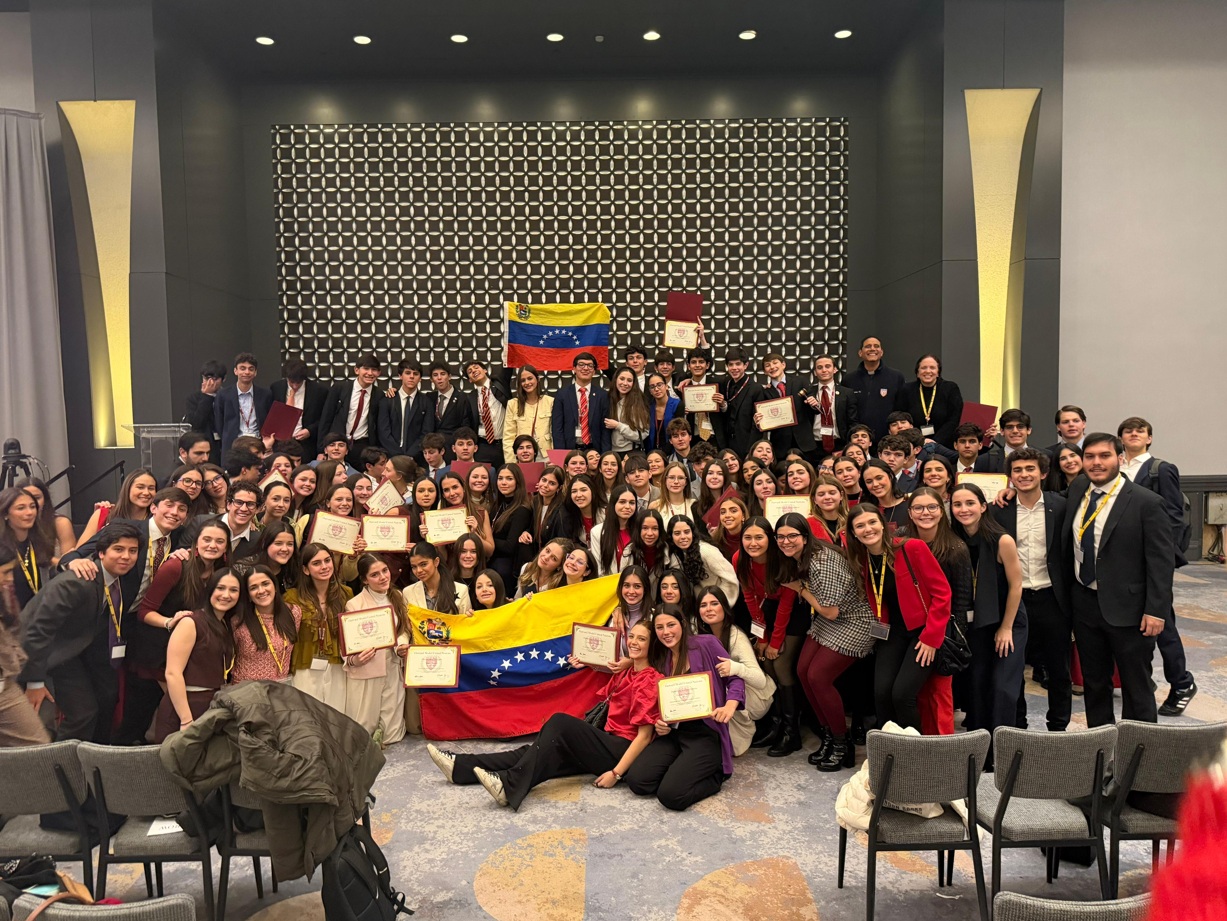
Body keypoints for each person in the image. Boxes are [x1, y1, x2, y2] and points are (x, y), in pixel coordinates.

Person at [427, 620, 662, 810]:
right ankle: (460, 767)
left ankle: (510, 785)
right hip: (606, 739)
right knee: (533, 752)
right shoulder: (627, 671)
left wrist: (616, 773)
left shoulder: (649, 680)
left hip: (620, 750)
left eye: (642, 639)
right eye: (632, 636)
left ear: (652, 645)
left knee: (560, 723)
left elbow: (643, 737)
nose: (634, 642)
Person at [1059, 433, 1174, 726]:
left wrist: (1156, 610)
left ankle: (1139, 747)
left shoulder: (1147, 503)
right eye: (1090, 456)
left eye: (1104, 456)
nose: (1096, 463)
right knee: (1094, 682)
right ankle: (1099, 742)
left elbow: (1161, 563)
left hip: (1130, 610)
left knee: (1136, 686)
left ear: (1120, 459)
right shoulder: (1078, 489)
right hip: (1085, 603)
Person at [20, 522, 142, 742]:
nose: (126, 556)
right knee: (82, 714)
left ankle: (91, 756)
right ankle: (57, 762)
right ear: (101, 553)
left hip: (75, 651)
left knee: (104, 698)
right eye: (118, 549)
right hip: (44, 655)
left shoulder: (117, 580)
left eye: (132, 551)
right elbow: (37, 631)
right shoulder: (77, 582)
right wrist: (34, 682)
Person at [777, 514, 875, 771]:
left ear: (805, 537)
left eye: (792, 536)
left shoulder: (822, 562)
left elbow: (830, 611)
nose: (786, 541)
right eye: (781, 537)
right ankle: (829, 736)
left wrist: (800, 589)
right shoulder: (802, 556)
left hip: (855, 621)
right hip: (831, 618)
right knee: (802, 671)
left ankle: (843, 744)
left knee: (818, 676)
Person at [845, 504, 950, 733]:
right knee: (881, 695)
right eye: (860, 526)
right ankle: (888, 748)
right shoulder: (862, 559)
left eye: (872, 522)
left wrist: (931, 638)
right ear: (853, 533)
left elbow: (942, 594)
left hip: (923, 632)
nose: (868, 529)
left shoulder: (912, 548)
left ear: (883, 525)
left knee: (902, 696)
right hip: (892, 632)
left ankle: (914, 750)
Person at [628, 606, 743, 811]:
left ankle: (715, 775)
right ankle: (680, 770)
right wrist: (661, 723)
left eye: (671, 625)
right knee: (638, 781)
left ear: (682, 624)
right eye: (660, 628)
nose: (666, 632)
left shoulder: (707, 644)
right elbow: (664, 703)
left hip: (705, 733)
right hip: (675, 733)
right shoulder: (662, 659)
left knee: (671, 796)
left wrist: (729, 705)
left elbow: (735, 678)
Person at [1118, 416, 1196, 715]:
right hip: (1123, 561)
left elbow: (1174, 516)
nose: (1134, 434)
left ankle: (1182, 683)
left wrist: (1162, 560)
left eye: (1140, 431)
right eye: (1128, 431)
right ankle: (1143, 681)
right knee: (1133, 626)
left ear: (1149, 438)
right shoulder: (1116, 468)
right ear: (1121, 438)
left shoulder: (1160, 469)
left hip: (1151, 561)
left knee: (1162, 623)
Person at [989, 449, 1071, 732]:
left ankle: (1058, 729)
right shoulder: (999, 510)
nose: (1024, 474)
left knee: (1058, 669)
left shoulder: (1061, 506)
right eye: (1017, 470)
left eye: (1030, 469)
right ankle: (1018, 727)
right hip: (1015, 600)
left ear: (1043, 473)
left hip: (1052, 598)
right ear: (1010, 477)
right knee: (1014, 669)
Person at [950, 483, 1026, 764]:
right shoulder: (953, 539)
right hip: (976, 623)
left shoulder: (1001, 540)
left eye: (970, 503)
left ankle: (1004, 752)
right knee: (977, 684)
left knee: (1003, 686)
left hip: (1007, 619)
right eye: (957, 504)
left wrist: (1006, 627)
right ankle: (982, 750)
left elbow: (1016, 586)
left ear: (983, 506)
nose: (964, 509)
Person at [733, 516, 802, 755]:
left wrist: (775, 642)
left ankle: (792, 732)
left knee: (780, 664)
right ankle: (776, 725)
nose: (753, 543)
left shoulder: (782, 559)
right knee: (767, 665)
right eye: (747, 538)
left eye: (759, 537)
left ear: (770, 539)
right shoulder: (739, 559)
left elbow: (787, 604)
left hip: (794, 612)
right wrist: (762, 638)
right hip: (767, 611)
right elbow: (749, 597)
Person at [154, 567, 240, 742]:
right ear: (210, 589)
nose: (226, 595)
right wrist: (186, 720)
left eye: (233, 590)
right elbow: (173, 673)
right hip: (185, 709)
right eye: (220, 588)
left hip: (210, 706)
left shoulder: (225, 624)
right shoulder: (190, 622)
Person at [696, 587, 774, 757]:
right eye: (703, 605)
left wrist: (736, 667)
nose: (708, 609)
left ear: (724, 607)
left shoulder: (736, 637)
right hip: (731, 690)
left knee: (718, 692)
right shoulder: (701, 635)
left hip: (756, 695)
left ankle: (738, 742)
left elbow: (760, 680)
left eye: (714, 603)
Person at [344, 555, 411, 746]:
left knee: (392, 734)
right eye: (374, 574)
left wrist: (400, 646)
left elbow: (404, 629)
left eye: (385, 571)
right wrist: (356, 659)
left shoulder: (398, 596)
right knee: (364, 732)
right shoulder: (354, 604)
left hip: (392, 666)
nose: (382, 577)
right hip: (367, 668)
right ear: (364, 580)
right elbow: (350, 643)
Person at [286, 542, 352, 711]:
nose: (324, 567)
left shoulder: (346, 594)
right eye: (316, 563)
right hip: (305, 665)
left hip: (337, 666)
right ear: (306, 570)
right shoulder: (292, 598)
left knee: (337, 714)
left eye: (327, 560)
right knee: (307, 714)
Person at [231, 562, 300, 685]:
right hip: (246, 691)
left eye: (265, 584)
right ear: (248, 595)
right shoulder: (238, 622)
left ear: (275, 586)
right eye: (253, 587)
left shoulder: (294, 613)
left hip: (280, 690)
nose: (261, 590)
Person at [319, 353, 384, 468]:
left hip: (362, 446)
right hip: (338, 443)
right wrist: (320, 450)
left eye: (374, 370)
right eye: (366, 368)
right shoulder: (340, 388)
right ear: (356, 370)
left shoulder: (379, 394)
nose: (370, 373)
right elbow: (326, 419)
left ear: (378, 373)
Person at [664, 514, 739, 603]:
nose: (683, 537)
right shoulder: (676, 554)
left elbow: (730, 579)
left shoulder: (706, 551)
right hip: (697, 606)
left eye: (687, 532)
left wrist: (718, 603)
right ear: (671, 536)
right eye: (677, 533)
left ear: (693, 533)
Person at [842, 337, 906, 441]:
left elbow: (901, 410)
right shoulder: (849, 379)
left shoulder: (896, 377)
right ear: (860, 353)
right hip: (859, 439)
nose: (872, 349)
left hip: (888, 439)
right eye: (868, 346)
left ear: (881, 352)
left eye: (876, 346)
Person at [0, 486, 54, 610]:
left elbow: (49, 561)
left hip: (38, 615)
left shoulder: (39, 542)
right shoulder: (3, 551)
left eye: (32, 507)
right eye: (21, 508)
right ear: (6, 514)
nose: (29, 512)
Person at [894, 354, 963, 448]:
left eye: (932, 368)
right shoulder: (906, 390)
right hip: (913, 445)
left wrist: (934, 442)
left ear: (938, 372)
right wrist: (919, 441)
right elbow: (901, 418)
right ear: (917, 372)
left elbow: (953, 420)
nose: (928, 371)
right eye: (923, 368)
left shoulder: (950, 388)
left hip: (944, 445)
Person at [76, 467, 158, 546]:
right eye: (140, 487)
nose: (146, 493)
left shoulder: (158, 519)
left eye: (151, 488)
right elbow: (80, 551)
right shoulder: (103, 514)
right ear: (127, 488)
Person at [800, 354, 858, 463]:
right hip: (814, 446)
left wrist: (850, 444)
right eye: (819, 367)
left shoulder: (847, 393)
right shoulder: (808, 393)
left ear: (835, 369)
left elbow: (852, 421)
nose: (824, 370)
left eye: (828, 366)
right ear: (815, 372)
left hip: (840, 444)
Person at [214, 352, 273, 456]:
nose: (247, 372)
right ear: (235, 371)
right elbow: (219, 422)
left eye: (251, 369)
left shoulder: (265, 394)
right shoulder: (223, 395)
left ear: (255, 372)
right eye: (242, 368)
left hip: (258, 445)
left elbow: (269, 421)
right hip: (233, 446)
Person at [551, 352, 611, 452]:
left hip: (594, 450)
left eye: (590, 366)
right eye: (581, 365)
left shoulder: (602, 395)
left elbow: (605, 429)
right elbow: (557, 428)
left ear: (594, 371)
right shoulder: (562, 395)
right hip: (570, 450)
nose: (586, 368)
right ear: (574, 369)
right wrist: (561, 454)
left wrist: (605, 453)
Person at [270, 357, 328, 459]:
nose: (295, 386)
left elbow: (325, 419)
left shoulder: (319, 391)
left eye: (298, 382)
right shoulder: (276, 388)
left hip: (306, 445)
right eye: (292, 382)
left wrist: (310, 431)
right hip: (280, 444)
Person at [488, 465, 535, 588]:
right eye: (500, 478)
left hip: (507, 568)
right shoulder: (499, 504)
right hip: (493, 559)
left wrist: (487, 540)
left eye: (509, 479)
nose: (503, 483)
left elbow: (510, 546)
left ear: (517, 482)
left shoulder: (521, 510)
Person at [378, 358, 431, 462]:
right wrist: (398, 455)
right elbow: (383, 432)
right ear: (400, 376)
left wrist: (410, 455)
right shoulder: (388, 400)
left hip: (416, 457)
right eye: (407, 373)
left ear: (420, 378)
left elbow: (426, 433)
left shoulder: (426, 402)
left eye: (415, 374)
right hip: (390, 456)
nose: (411, 376)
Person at [16, 478, 78, 566]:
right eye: (26, 498)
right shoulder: (12, 524)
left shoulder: (60, 523)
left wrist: (50, 560)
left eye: (37, 498)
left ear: (45, 499)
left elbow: (69, 561)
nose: (33, 502)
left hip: (57, 572)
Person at [502, 365, 554, 461]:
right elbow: (508, 437)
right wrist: (512, 462)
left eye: (530, 378)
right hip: (522, 456)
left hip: (546, 456)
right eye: (523, 380)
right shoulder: (513, 404)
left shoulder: (550, 402)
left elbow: (555, 433)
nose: (527, 383)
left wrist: (555, 459)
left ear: (538, 379)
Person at [463, 359, 509, 466]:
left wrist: (507, 352)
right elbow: (467, 423)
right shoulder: (470, 397)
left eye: (476, 367)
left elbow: (507, 368)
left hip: (503, 444)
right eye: (470, 371)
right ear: (470, 380)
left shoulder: (500, 384)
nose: (474, 371)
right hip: (483, 445)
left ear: (485, 370)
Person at [590, 485, 638, 576]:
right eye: (622, 502)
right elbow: (598, 568)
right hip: (606, 583)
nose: (627, 506)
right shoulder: (597, 532)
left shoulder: (639, 531)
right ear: (613, 504)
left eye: (632, 503)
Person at [182, 359, 226, 460]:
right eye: (206, 378)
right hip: (205, 445)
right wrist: (207, 396)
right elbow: (196, 423)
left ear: (223, 379)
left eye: (215, 379)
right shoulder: (193, 398)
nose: (210, 382)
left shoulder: (228, 396)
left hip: (224, 445)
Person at [544, 474, 602, 548]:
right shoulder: (570, 516)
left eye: (583, 490)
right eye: (574, 491)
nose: (578, 495)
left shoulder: (605, 514)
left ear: (593, 491)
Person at [605, 366, 651, 455]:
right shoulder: (607, 399)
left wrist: (618, 426)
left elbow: (642, 435)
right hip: (610, 452)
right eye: (622, 379)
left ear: (634, 383)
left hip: (631, 452)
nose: (625, 383)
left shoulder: (637, 403)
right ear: (615, 379)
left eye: (629, 380)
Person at [861, 459, 909, 533]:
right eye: (869, 481)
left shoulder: (909, 504)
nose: (875, 484)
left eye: (879, 478)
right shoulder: (865, 511)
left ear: (890, 476)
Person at [449, 533, 488, 609]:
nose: (468, 556)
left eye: (473, 551)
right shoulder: (447, 581)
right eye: (463, 551)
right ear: (456, 554)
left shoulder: (488, 580)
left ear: (479, 554)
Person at [610, 566, 652, 635]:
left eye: (637, 586)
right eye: (627, 585)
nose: (631, 591)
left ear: (645, 589)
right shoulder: (611, 615)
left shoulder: (654, 618)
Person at [645, 373, 681, 452]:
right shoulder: (648, 407)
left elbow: (678, 432)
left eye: (659, 385)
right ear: (650, 391)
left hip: (672, 451)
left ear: (666, 386)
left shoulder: (677, 404)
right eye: (652, 387)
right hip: (651, 451)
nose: (656, 389)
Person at [811, 473, 849, 545]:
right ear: (814, 499)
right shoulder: (808, 524)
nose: (827, 497)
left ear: (841, 495)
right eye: (821, 494)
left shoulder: (852, 521)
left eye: (832, 493)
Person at [532, 466, 564, 543]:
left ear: (559, 488)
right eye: (544, 480)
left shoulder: (562, 510)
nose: (545, 485)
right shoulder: (535, 501)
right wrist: (525, 532)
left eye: (552, 483)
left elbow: (562, 541)